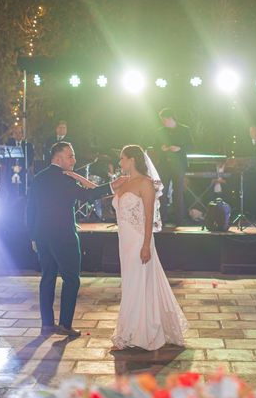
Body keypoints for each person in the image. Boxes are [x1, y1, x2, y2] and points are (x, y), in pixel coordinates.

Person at [66, 145, 188, 351]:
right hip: (125, 242)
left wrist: (146, 245)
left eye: (122, 159)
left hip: (140, 240)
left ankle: (143, 331)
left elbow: (149, 217)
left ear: (132, 160)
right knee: (130, 283)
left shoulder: (146, 184)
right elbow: (95, 192)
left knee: (140, 282)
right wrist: (75, 176)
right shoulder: (122, 183)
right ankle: (129, 329)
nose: (119, 163)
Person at [26, 142, 128, 337]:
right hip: (64, 236)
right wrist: (112, 186)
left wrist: (33, 235)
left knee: (47, 278)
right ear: (57, 158)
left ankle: (47, 324)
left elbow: (30, 209)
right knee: (71, 279)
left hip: (42, 236)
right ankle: (65, 324)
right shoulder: (64, 179)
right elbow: (87, 195)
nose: (74, 160)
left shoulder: (39, 178)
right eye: (70, 156)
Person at [157, 108, 193, 225]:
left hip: (179, 165)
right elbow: (154, 145)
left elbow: (191, 145)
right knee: (163, 191)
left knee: (178, 192)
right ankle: (163, 217)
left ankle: (179, 218)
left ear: (170, 118)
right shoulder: (160, 131)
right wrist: (161, 148)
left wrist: (180, 148)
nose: (163, 122)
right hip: (164, 165)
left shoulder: (184, 130)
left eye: (164, 120)